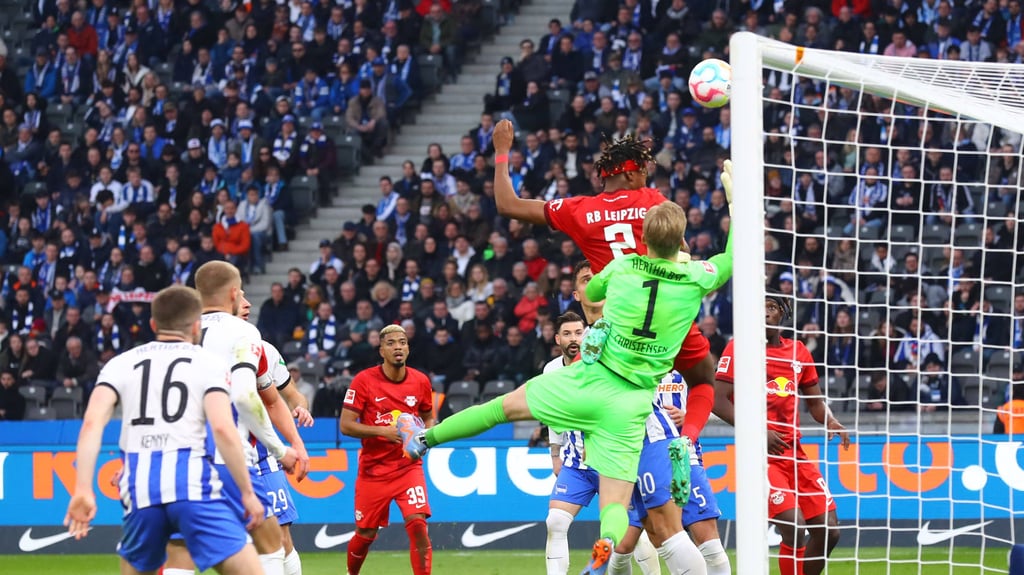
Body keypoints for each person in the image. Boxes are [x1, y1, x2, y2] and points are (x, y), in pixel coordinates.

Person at [401, 199, 733, 575]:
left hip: (588, 380)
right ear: (682, 240)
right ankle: (607, 543)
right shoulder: (697, 277)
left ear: (643, 237)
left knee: (500, 408)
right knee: (616, 501)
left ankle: (423, 439)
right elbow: (730, 257)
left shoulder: (624, 265)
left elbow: (596, 290)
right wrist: (736, 208)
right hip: (631, 405)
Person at [489, 118, 723, 487]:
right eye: (643, 171)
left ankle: (609, 469)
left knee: (617, 398)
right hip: (667, 321)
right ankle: (687, 442)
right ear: (630, 174)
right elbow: (683, 252)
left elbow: (508, 205)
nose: (646, 178)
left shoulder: (579, 209)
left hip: (618, 330)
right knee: (705, 382)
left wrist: (502, 150)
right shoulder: (654, 201)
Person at [63, 286, 265, 575]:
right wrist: (246, 492)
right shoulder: (210, 364)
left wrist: (83, 489)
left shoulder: (119, 364)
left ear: (153, 324)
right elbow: (222, 428)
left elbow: (92, 424)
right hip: (194, 487)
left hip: (139, 491)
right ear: (195, 326)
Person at [163, 261, 306, 575]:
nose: (246, 302)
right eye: (241, 294)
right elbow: (246, 396)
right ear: (232, 293)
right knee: (270, 542)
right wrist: (282, 449)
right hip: (229, 454)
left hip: (177, 460)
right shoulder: (244, 332)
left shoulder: (177, 335)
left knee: (181, 549)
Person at [713, 292, 850, 575]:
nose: (765, 312)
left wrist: (830, 420)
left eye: (772, 307)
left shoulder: (799, 351)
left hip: (795, 454)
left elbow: (814, 403)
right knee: (794, 527)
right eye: (760, 307)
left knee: (829, 530)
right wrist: (757, 431)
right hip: (761, 457)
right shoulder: (738, 348)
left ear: (782, 314)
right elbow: (718, 400)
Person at [544, 308, 662, 575]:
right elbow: (552, 414)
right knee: (555, 521)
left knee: (633, 536)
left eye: (579, 332)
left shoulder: (607, 362)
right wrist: (555, 454)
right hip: (577, 464)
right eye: (567, 334)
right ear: (558, 339)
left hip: (612, 461)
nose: (574, 339)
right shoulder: (551, 370)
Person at [340, 324, 434, 575]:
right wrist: (384, 432)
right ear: (381, 350)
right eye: (391, 343)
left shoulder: (421, 381)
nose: (397, 347)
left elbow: (428, 416)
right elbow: (346, 425)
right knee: (365, 533)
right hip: (373, 471)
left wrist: (425, 438)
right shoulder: (363, 381)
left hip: (408, 467)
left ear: (408, 348)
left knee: (418, 524)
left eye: (402, 342)